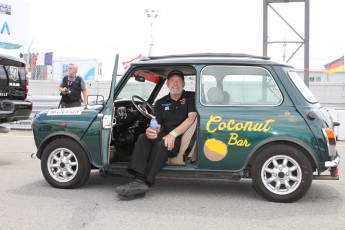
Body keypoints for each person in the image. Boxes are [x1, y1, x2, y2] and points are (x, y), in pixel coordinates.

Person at [115, 70, 197, 200]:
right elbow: (157, 124)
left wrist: (173, 134)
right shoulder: (160, 102)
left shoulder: (190, 97)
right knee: (143, 137)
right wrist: (153, 131)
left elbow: (191, 118)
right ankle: (138, 179)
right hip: (165, 134)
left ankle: (146, 182)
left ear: (184, 84)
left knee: (162, 144)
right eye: (172, 81)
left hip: (179, 137)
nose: (175, 84)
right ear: (167, 84)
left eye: (178, 81)